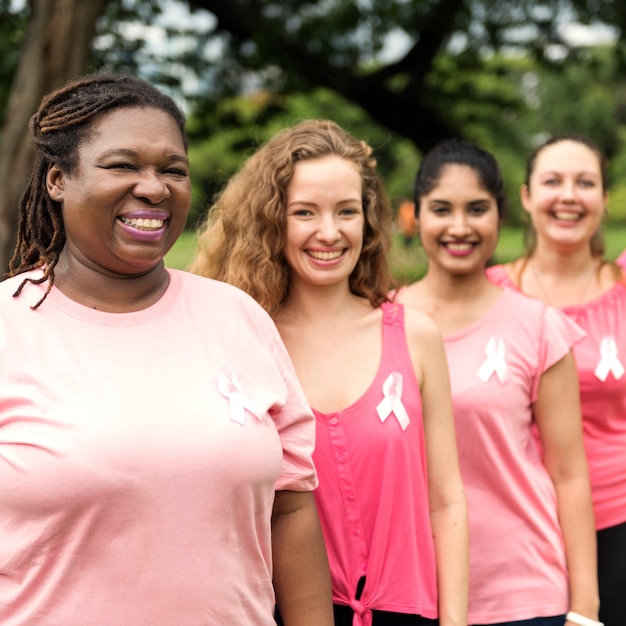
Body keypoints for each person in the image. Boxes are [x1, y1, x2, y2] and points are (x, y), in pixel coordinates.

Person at [0, 73, 334, 626]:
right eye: (123, 165)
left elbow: (291, 506)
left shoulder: (238, 318)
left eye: (172, 170)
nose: (154, 188)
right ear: (58, 179)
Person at [190, 119, 469, 626]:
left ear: (369, 219)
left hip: (410, 613)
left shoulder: (415, 336)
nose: (329, 232)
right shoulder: (241, 346)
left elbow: (446, 500)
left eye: (347, 211)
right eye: (305, 212)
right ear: (273, 221)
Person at [396, 139, 600, 626]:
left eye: (478, 209)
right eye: (442, 209)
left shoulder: (539, 326)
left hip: (523, 593)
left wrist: (586, 608)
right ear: (416, 216)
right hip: (414, 592)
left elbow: (570, 474)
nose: (460, 227)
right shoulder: (379, 320)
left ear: (500, 217)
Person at [487, 134, 626, 626]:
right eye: (553, 181)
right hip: (521, 529)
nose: (568, 194)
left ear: (603, 200)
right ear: (526, 197)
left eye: (585, 182)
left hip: (620, 523)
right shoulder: (486, 293)